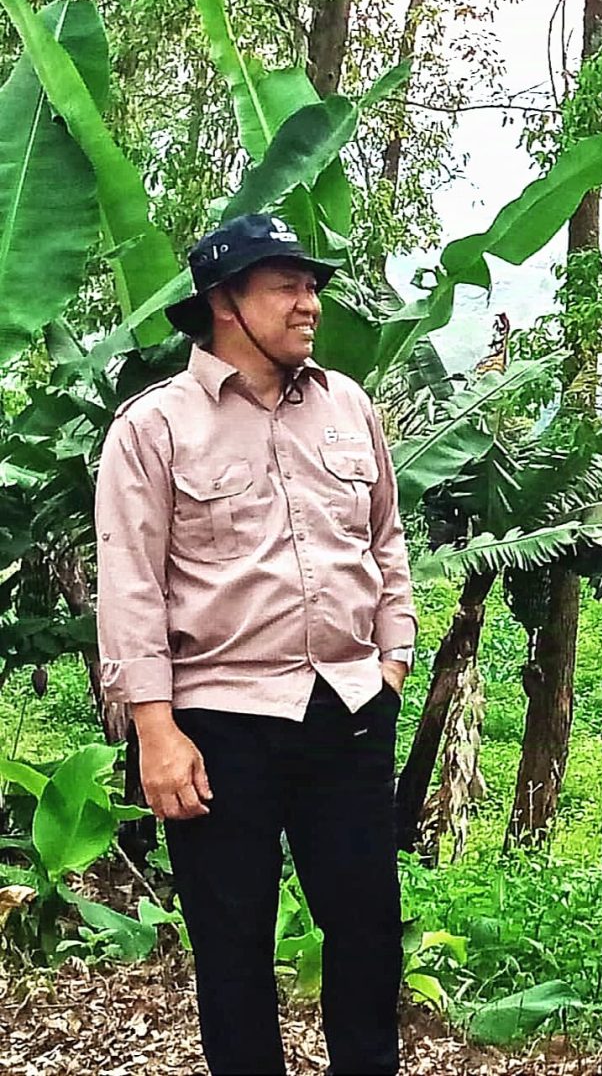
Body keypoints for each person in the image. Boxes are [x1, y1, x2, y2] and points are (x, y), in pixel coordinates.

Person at [95, 212, 414, 1075]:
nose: (309, 302)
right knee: (233, 950)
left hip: (348, 708)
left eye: (311, 284)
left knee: (368, 934)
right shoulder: (154, 428)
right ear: (225, 302)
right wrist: (155, 733)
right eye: (287, 286)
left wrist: (393, 658)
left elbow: (385, 541)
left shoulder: (347, 404)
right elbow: (130, 588)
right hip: (218, 724)